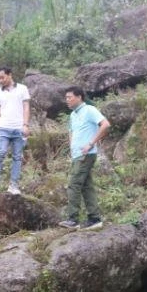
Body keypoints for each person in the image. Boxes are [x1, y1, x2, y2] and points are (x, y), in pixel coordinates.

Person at [59, 86, 111, 230]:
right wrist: (72, 149)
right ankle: (95, 218)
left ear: (79, 97)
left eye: (69, 97)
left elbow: (105, 125)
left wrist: (91, 143)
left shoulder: (89, 110)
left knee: (74, 184)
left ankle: (73, 219)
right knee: (86, 187)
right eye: (66, 98)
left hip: (86, 154)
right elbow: (71, 132)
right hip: (77, 155)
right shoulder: (73, 115)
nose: (67, 100)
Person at [0, 67, 30, 195]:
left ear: (10, 75)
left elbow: (26, 108)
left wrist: (26, 125)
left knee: (17, 157)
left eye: (2, 77)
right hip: (3, 128)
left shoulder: (22, 89)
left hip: (19, 128)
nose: (1, 80)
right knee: (0, 154)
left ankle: (13, 186)